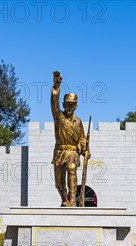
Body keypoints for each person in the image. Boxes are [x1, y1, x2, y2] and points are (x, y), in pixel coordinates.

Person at [51, 70, 88, 207]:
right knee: (58, 183)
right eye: (67, 104)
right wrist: (56, 87)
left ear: (76, 106)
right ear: (63, 105)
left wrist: (84, 149)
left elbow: (82, 138)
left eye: (72, 105)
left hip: (72, 152)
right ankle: (64, 199)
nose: (69, 107)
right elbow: (54, 103)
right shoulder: (59, 117)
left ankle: (73, 201)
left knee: (72, 168)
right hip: (59, 152)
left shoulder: (78, 122)